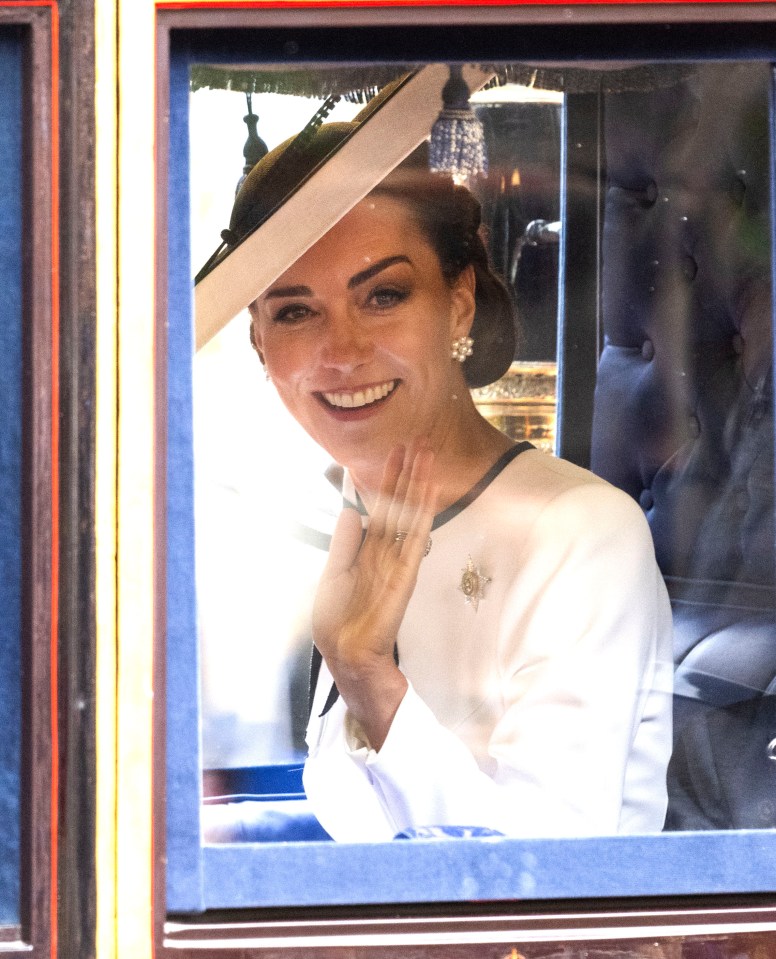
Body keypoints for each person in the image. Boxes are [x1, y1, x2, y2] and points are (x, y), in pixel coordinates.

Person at [201, 106, 674, 843]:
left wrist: (367, 676)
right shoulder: (361, 512)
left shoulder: (579, 533)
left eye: (383, 295)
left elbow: (539, 888)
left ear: (458, 302)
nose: (342, 351)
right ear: (259, 340)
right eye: (296, 312)